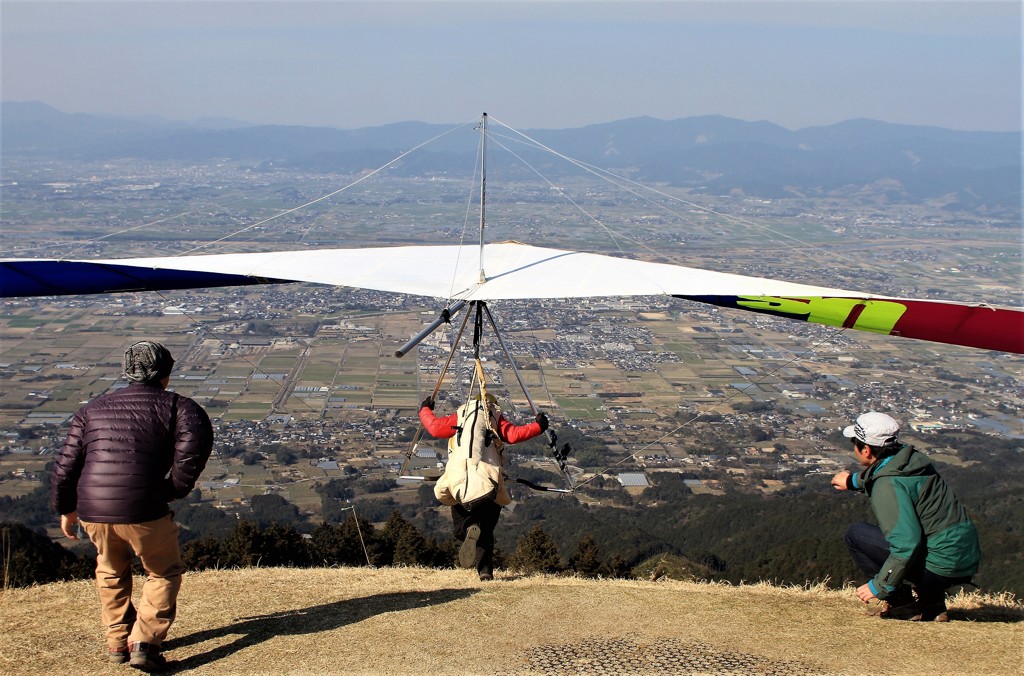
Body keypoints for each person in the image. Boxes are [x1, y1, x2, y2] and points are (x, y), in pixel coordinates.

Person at [52, 341, 213, 671]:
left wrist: (67, 508)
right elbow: (192, 454)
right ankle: (144, 642)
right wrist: (169, 491)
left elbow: (66, 465)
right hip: (145, 508)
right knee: (163, 572)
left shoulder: (92, 409)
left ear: (127, 371)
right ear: (166, 373)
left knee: (110, 572)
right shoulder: (181, 408)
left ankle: (117, 641)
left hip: (93, 508)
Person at [830, 411, 979, 622]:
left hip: (939, 567)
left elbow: (907, 544)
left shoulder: (887, 485)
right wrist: (853, 481)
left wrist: (879, 586)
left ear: (866, 449)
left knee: (856, 535)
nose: (853, 449)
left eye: (855, 444)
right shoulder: (914, 463)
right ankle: (933, 604)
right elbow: (888, 472)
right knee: (924, 537)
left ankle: (902, 604)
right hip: (964, 559)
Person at [419, 393, 547, 581]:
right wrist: (539, 426)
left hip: (460, 481)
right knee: (486, 531)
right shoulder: (494, 417)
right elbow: (513, 434)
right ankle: (485, 571)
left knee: (460, 528)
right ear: (494, 405)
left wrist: (425, 409)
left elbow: (435, 428)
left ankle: (469, 527)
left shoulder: (462, 416)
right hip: (490, 484)